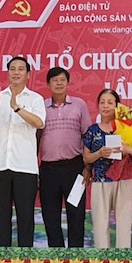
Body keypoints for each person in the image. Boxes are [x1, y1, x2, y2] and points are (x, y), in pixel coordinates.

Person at [0, 56, 46, 247]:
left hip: (25, 167)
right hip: (0, 165)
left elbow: (39, 123)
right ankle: (2, 258)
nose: (16, 72)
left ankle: (25, 259)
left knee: (25, 216)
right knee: (1, 215)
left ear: (28, 74)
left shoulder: (35, 98)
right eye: (12, 69)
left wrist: (17, 108)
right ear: (8, 72)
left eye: (20, 69)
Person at [39, 67, 90, 248]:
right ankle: (56, 258)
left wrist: (87, 167)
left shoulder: (79, 105)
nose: (59, 83)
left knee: (76, 215)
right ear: (48, 84)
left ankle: (76, 258)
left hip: (74, 168)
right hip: (48, 170)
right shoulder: (40, 106)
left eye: (62, 80)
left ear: (68, 83)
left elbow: (88, 137)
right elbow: (35, 138)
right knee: (50, 217)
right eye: (55, 80)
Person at [82, 89, 132, 248]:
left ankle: (123, 259)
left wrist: (129, 149)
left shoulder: (126, 128)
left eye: (110, 102)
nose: (105, 106)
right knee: (100, 225)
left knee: (124, 224)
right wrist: (99, 153)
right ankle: (102, 260)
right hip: (100, 181)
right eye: (102, 102)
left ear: (117, 105)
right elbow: (86, 158)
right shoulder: (92, 130)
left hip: (124, 180)